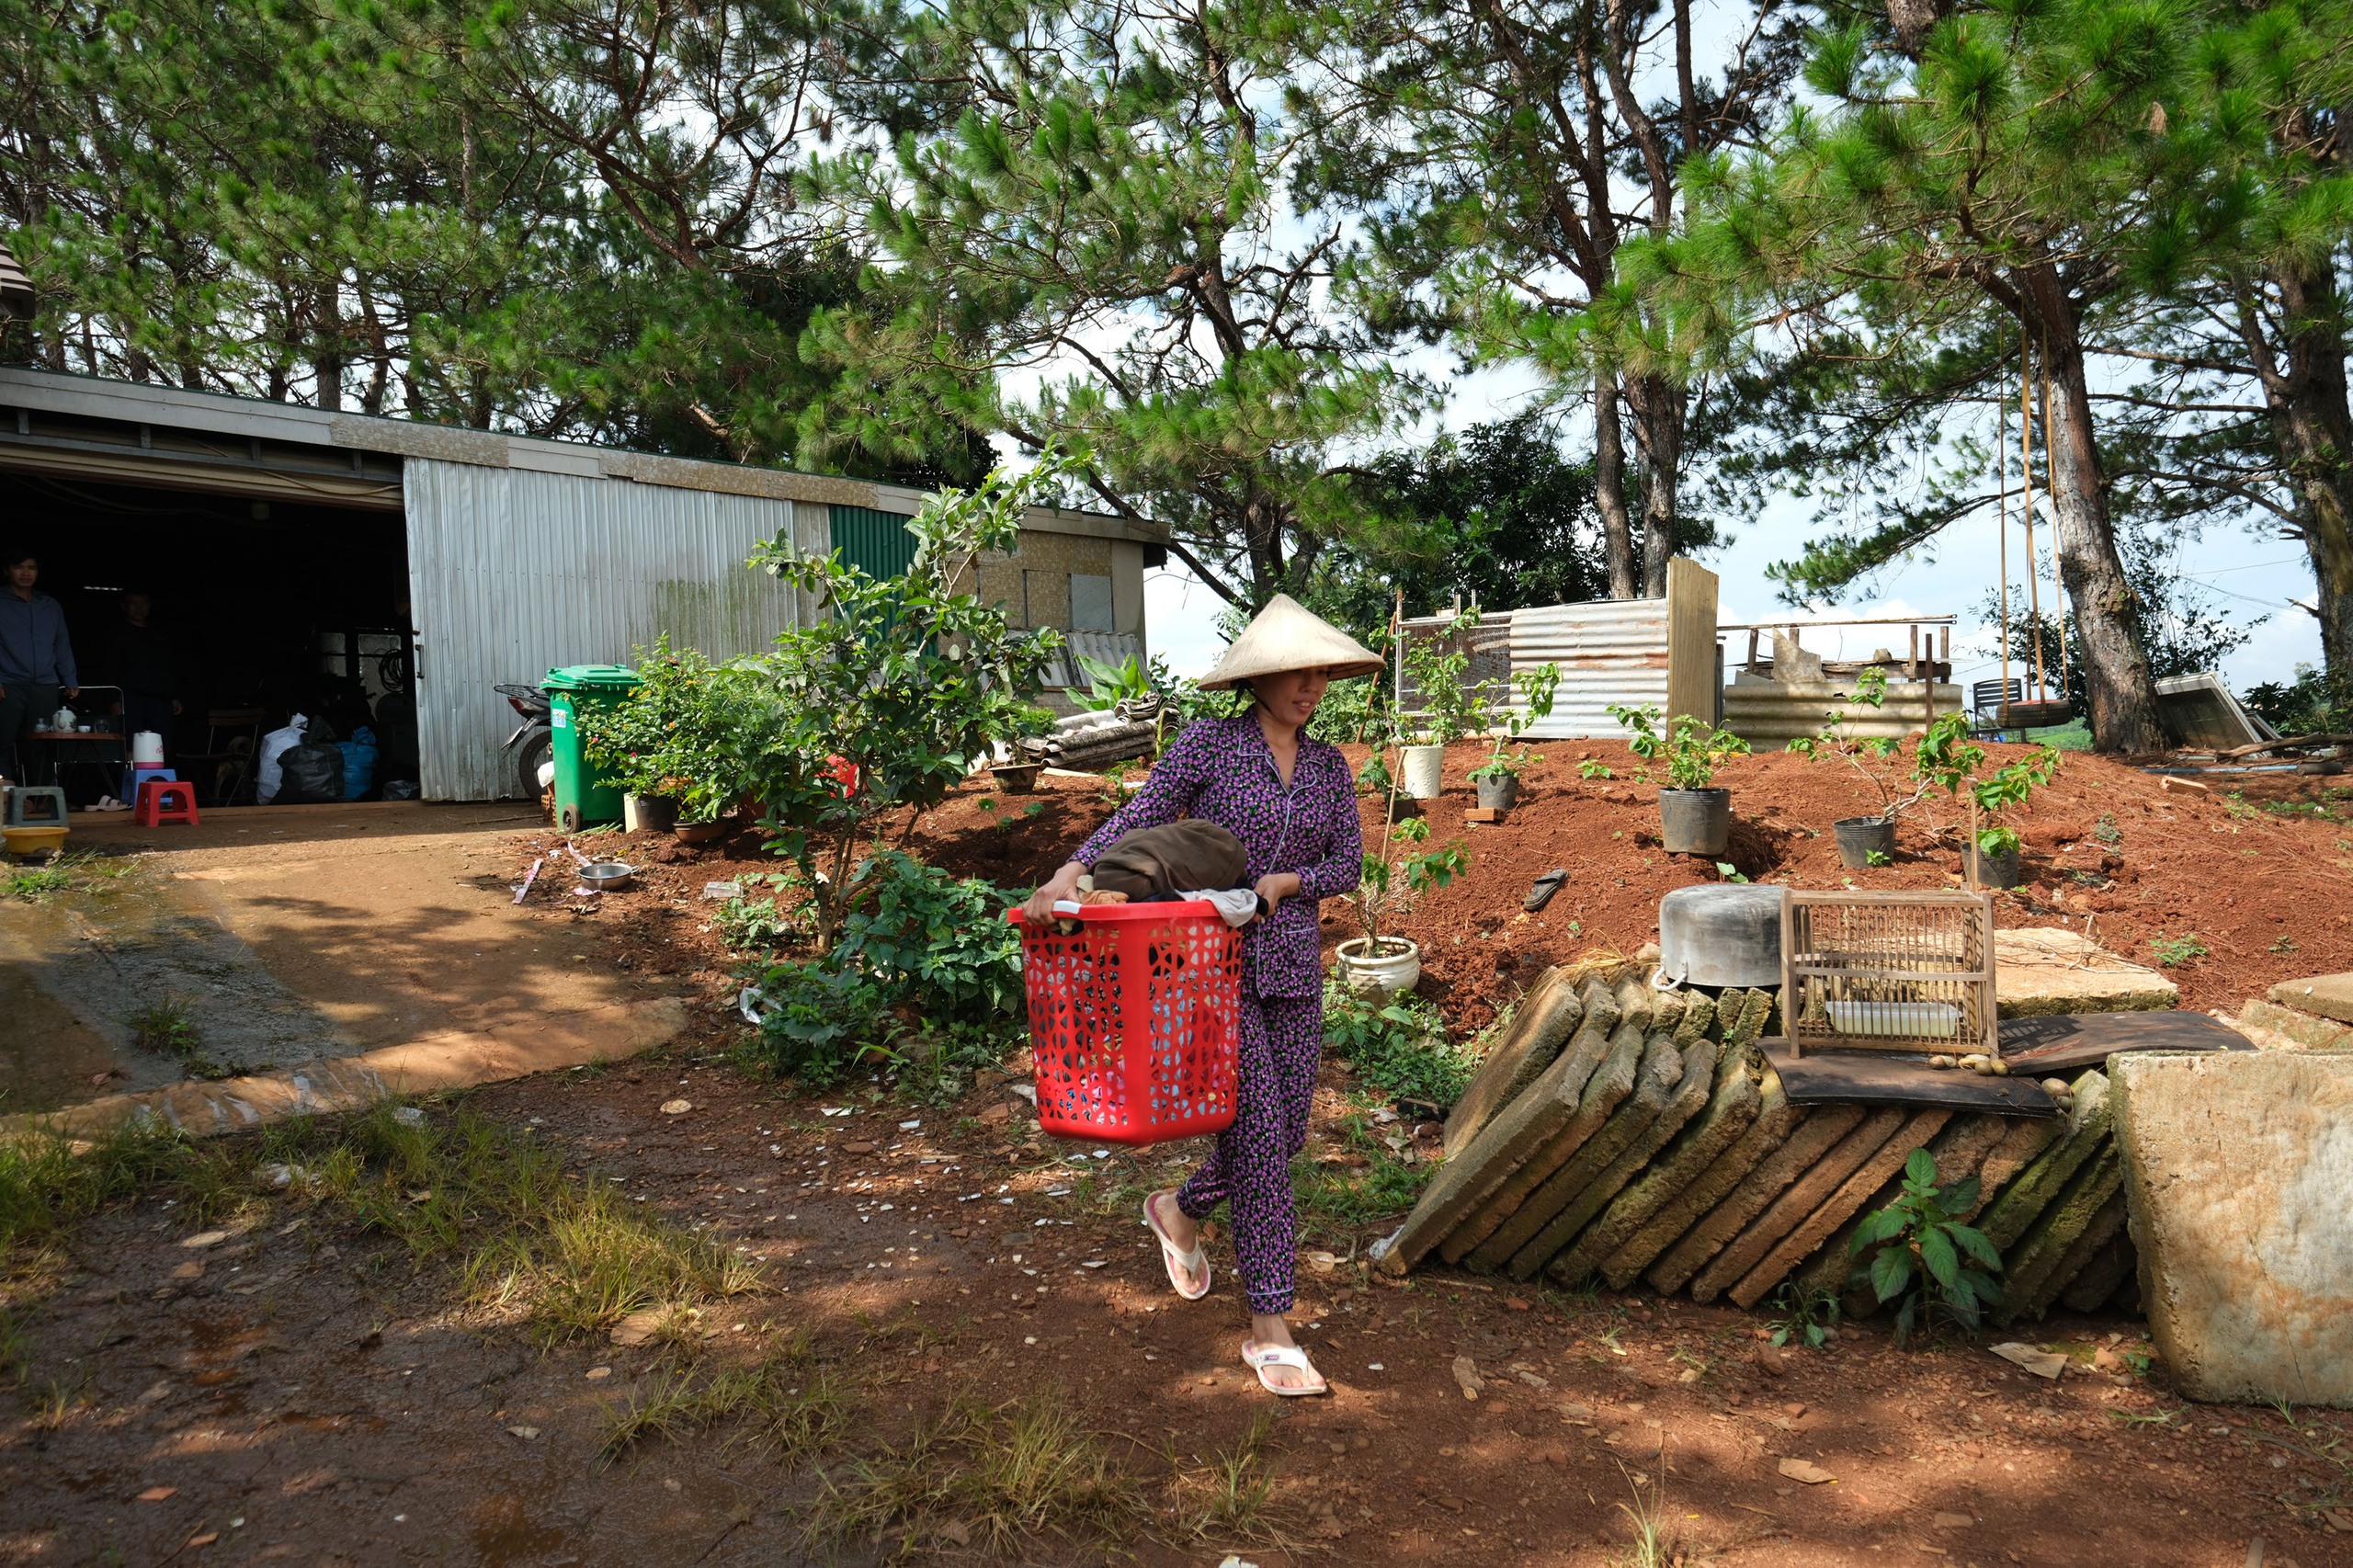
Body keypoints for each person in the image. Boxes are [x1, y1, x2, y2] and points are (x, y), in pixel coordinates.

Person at [1023, 594, 1381, 1397]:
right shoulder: (1210, 747)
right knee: (1257, 1135)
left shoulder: (1329, 767)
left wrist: (1293, 881)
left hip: (1292, 966)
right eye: (1296, 672)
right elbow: (1143, 814)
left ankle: (1178, 1212)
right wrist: (1070, 871)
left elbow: (1349, 868)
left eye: (1320, 672)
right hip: (1208, 969)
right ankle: (1270, 1326)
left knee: (1282, 1134)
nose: (1310, 686)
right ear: (1259, 678)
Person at [0, 548, 78, 777]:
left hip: (45, 684)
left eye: (31, 567)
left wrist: (70, 678)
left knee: (42, 742)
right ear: (7, 571)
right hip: (8, 684)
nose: (26, 573)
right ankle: (4, 798)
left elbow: (61, 644)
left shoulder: (50, 605)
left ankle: (41, 797)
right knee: (3, 740)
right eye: (19, 567)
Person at [108, 589, 181, 761]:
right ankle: (134, 785)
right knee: (132, 746)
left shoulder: (159, 633)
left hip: (160, 700)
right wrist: (114, 699)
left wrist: (174, 696)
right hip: (132, 699)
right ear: (124, 606)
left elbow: (169, 667)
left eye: (144, 603)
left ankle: (159, 785)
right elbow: (110, 668)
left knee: (162, 747)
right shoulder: (118, 634)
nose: (139, 608)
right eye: (133, 603)